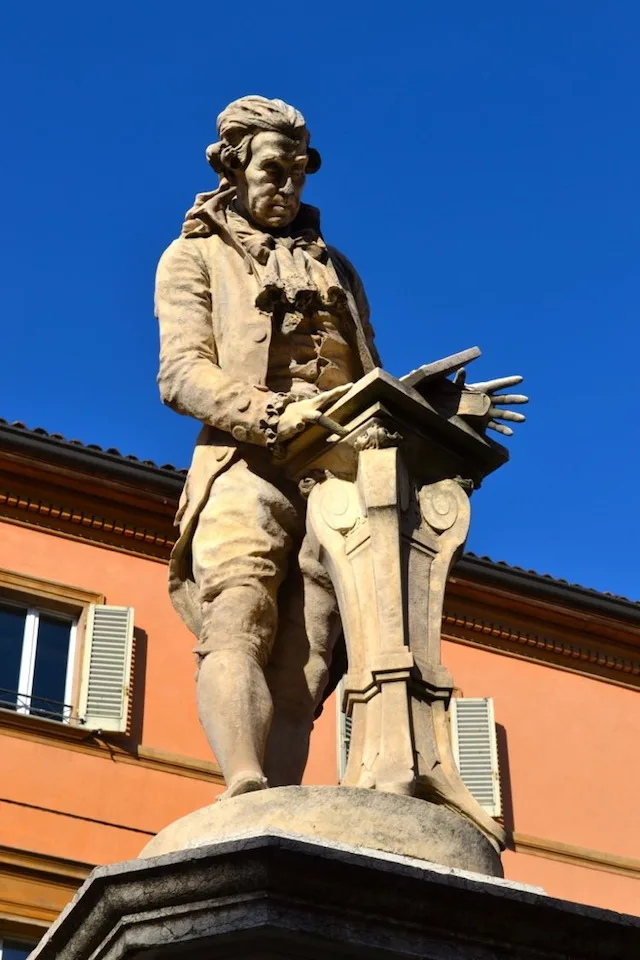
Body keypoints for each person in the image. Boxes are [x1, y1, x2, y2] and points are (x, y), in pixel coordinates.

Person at [155, 95, 380, 797]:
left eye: (298, 173)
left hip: (338, 472)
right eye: (273, 168)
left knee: (310, 658)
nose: (286, 185)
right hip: (244, 459)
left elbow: (368, 372)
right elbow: (183, 374)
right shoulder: (192, 257)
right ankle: (244, 786)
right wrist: (273, 414)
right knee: (238, 614)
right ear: (234, 167)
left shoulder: (336, 269)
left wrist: (444, 408)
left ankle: (280, 805)